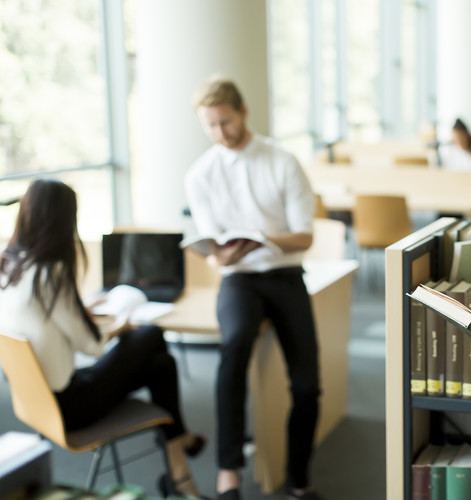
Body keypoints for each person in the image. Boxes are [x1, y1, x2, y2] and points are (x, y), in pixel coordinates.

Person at [0, 179, 206, 498]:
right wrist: (123, 323)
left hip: (38, 400)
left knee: (161, 365)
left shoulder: (11, 265)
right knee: (151, 334)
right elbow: (92, 346)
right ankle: (180, 446)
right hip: (74, 407)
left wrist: (79, 308)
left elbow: (41, 317)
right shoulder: (50, 272)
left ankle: (180, 471)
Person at [185, 77, 322, 500]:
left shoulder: (282, 161)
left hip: (283, 273)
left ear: (243, 110)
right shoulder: (200, 174)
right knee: (234, 348)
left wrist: (264, 237)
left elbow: (305, 237)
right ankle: (229, 471)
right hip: (238, 278)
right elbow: (215, 251)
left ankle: (299, 477)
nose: (220, 134)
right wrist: (220, 256)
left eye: (225, 122)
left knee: (306, 384)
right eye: (210, 126)